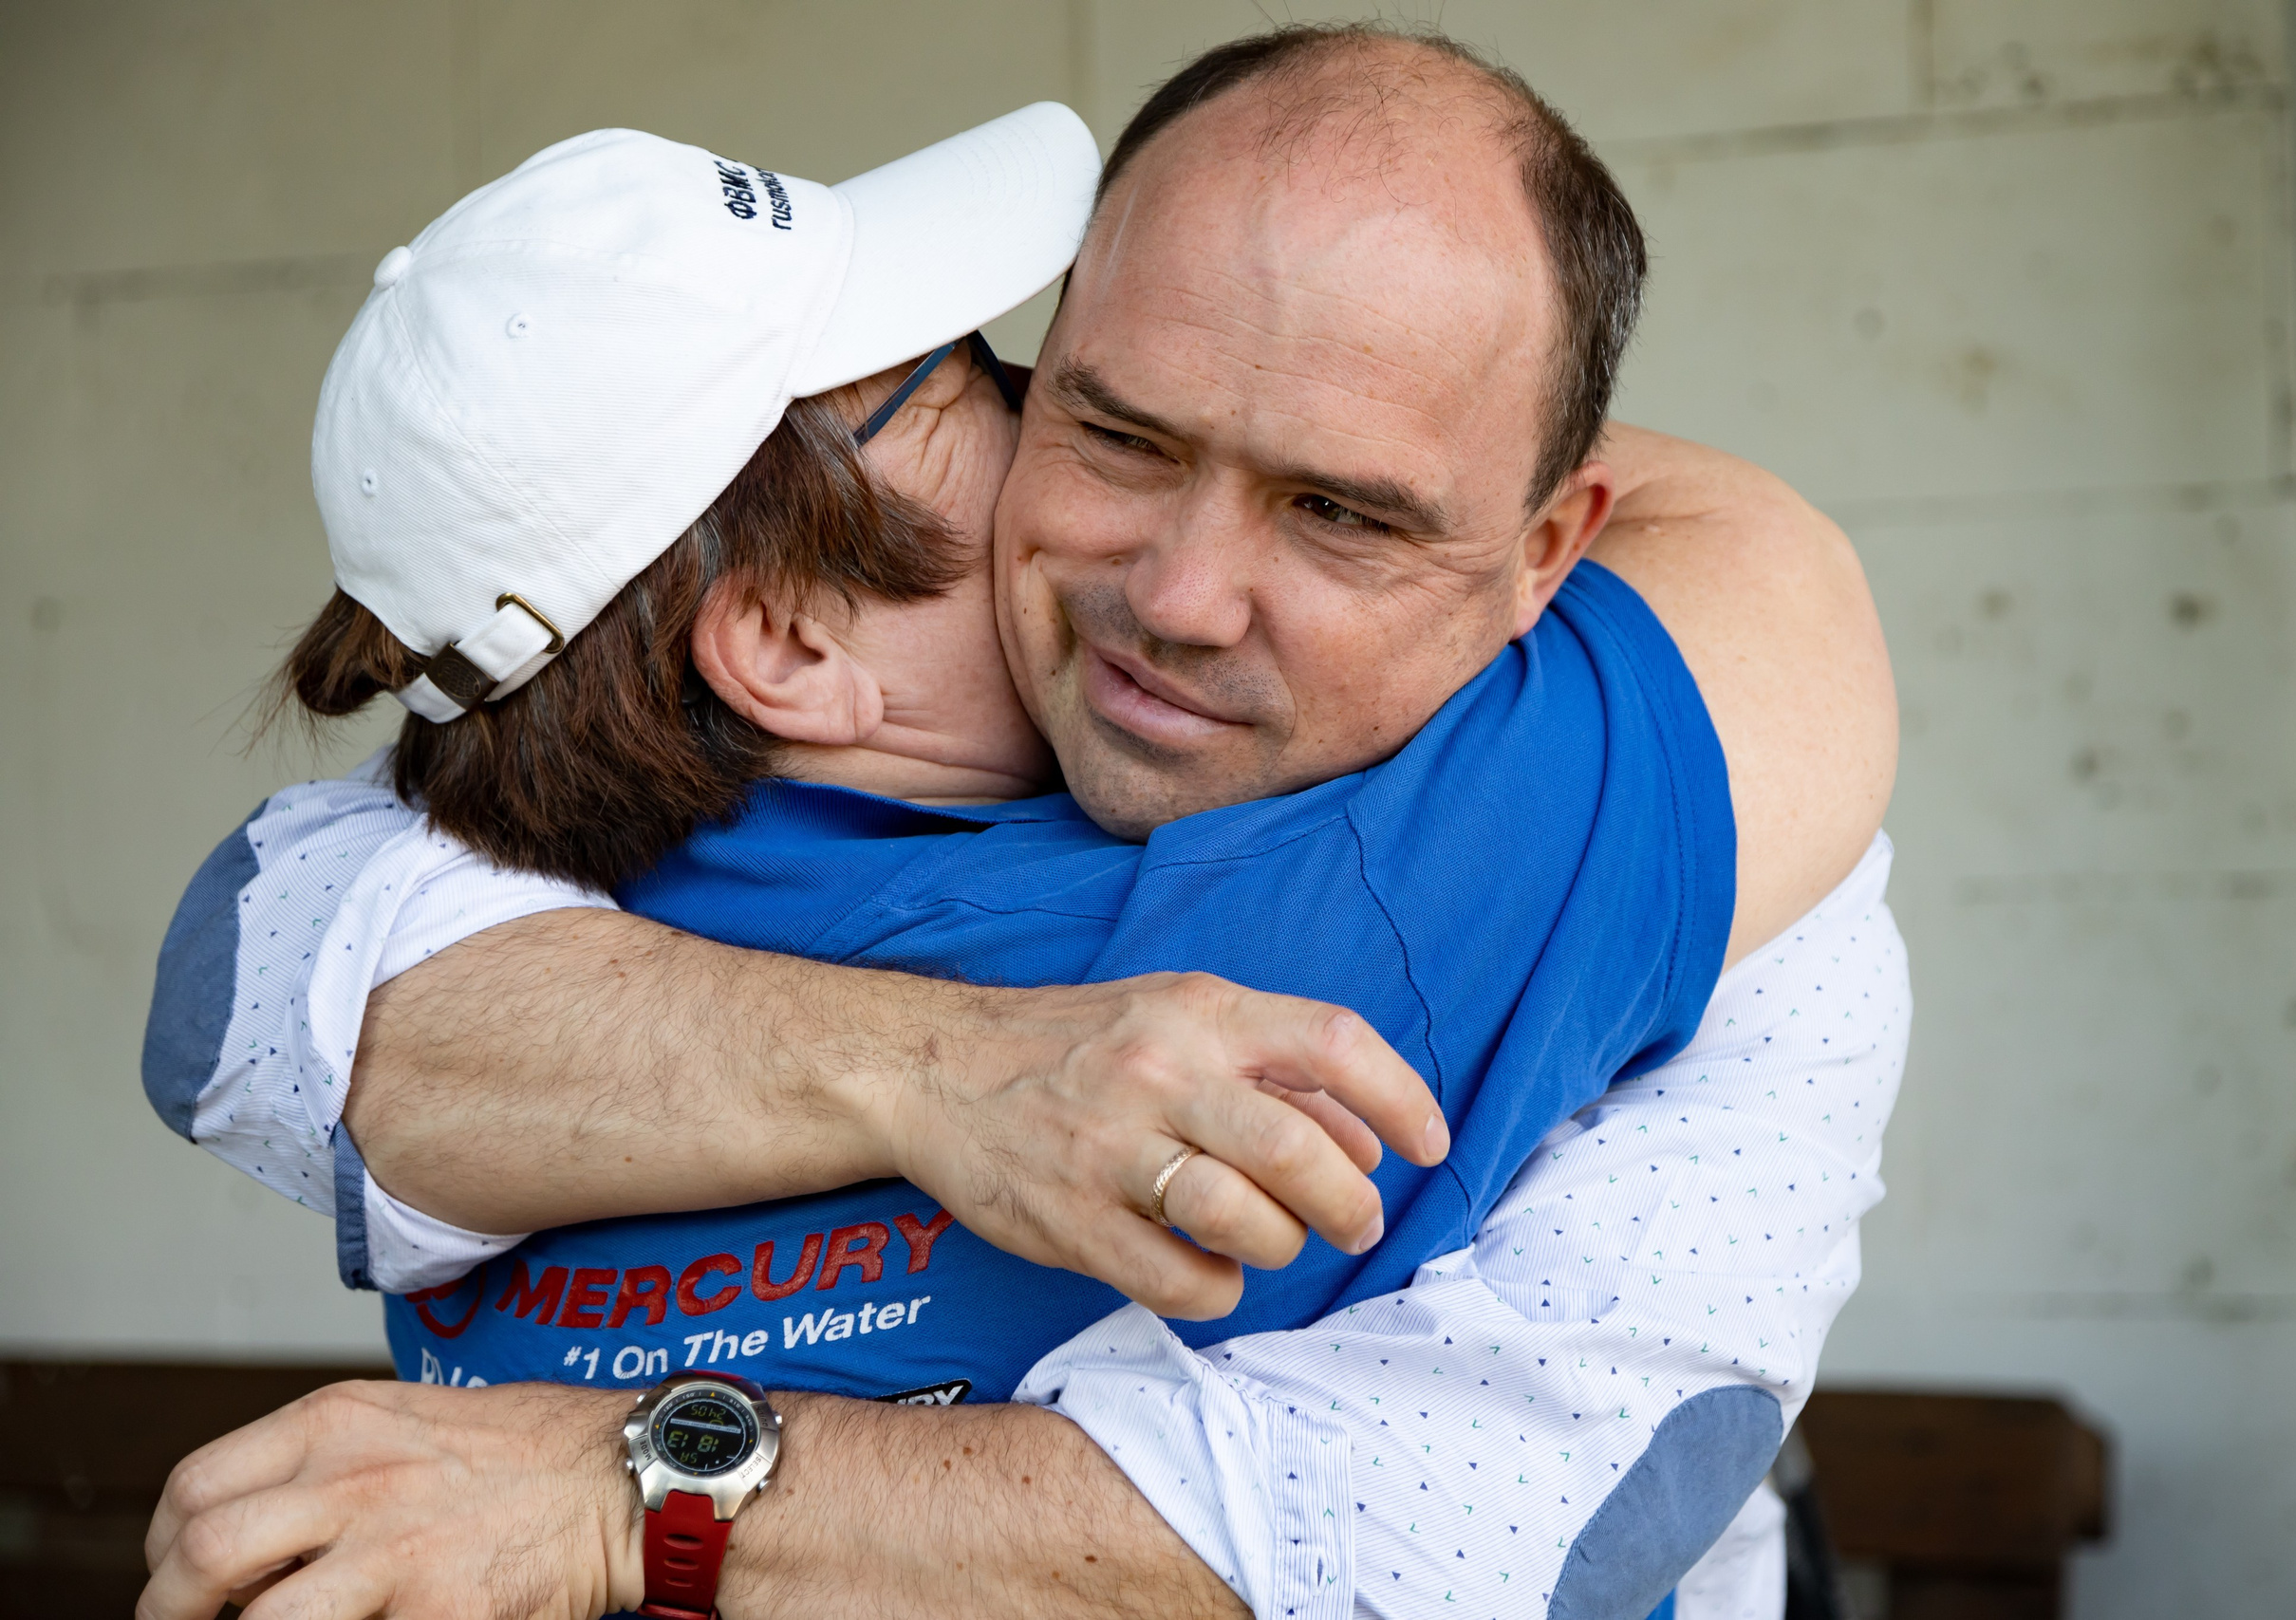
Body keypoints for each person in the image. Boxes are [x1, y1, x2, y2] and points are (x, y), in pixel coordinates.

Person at [139, 25, 1902, 1620]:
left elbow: (241, 992)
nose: (1184, 598)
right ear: (781, 642)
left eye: (1340, 510)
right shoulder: (1465, 865)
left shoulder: (476, 867)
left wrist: (621, 1489)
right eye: (1091, 422)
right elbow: (1778, 580)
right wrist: (947, 1067)